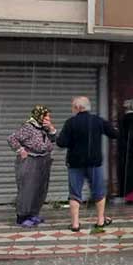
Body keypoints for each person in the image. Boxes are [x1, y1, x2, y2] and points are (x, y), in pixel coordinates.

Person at [56, 96, 119, 231]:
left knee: (74, 193)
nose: (72, 109)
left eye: (73, 107)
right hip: (94, 162)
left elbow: (61, 143)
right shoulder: (97, 121)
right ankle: (100, 221)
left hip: (75, 163)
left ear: (78, 108)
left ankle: (75, 224)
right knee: (98, 191)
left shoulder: (71, 123)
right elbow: (114, 134)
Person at [7, 105, 57, 227]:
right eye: (46, 116)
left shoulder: (44, 128)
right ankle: (22, 217)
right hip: (30, 160)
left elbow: (55, 139)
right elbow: (12, 138)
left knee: (40, 189)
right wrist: (20, 150)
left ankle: (33, 214)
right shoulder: (28, 127)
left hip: (43, 160)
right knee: (27, 189)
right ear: (39, 116)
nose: (48, 119)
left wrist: (51, 128)